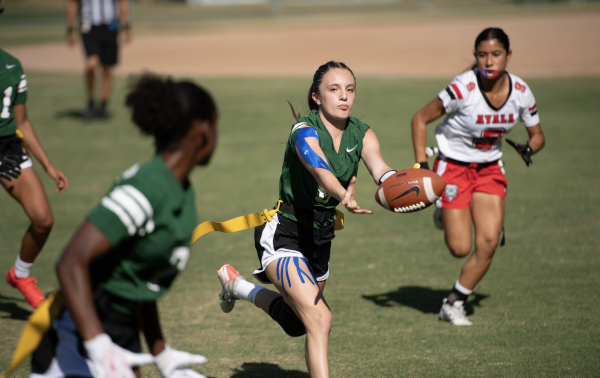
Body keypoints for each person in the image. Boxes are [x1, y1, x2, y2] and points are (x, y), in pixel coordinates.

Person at [30, 74, 217, 378]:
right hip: (76, 341)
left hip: (121, 334)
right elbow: (70, 262)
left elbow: (138, 278)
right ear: (204, 129)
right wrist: (97, 345)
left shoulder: (180, 189)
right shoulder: (147, 187)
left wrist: (161, 354)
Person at [216, 61, 396, 378]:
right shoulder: (304, 131)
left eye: (350, 89)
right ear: (316, 96)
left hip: (321, 237)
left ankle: (236, 286)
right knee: (320, 319)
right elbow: (318, 167)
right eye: (334, 89)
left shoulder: (362, 134)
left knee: (296, 322)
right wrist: (343, 194)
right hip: (284, 231)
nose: (344, 97)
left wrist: (407, 186)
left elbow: (382, 171)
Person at [411, 27, 545, 326]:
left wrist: (528, 149)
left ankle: (454, 302)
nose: (489, 61)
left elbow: (537, 135)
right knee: (459, 248)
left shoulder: (521, 93)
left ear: (508, 56)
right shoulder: (462, 88)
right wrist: (422, 167)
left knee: (488, 242)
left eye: (496, 55)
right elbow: (420, 118)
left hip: (489, 169)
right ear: (476, 57)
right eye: (482, 55)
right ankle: (442, 210)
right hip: (454, 168)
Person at [0, 0, 69, 309]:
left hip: (8, 150)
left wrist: (48, 165)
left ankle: (20, 274)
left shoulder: (12, 66)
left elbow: (22, 121)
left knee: (43, 219)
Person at [65, 0, 131, 120]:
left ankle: (103, 106)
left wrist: (126, 26)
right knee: (91, 64)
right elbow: (72, 0)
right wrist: (70, 28)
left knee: (107, 68)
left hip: (110, 25)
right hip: (89, 26)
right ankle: (90, 102)